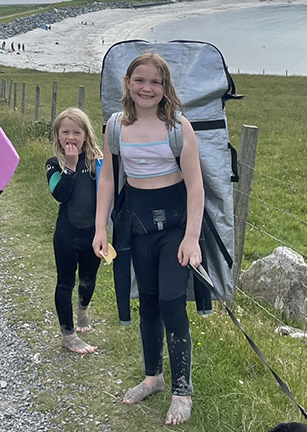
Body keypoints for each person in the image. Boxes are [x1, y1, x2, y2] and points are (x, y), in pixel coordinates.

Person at [93, 52, 205, 426]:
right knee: (149, 304)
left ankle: (182, 390)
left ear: (165, 87)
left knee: (173, 303)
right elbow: (107, 179)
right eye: (139, 80)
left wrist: (192, 238)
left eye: (155, 82)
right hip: (137, 224)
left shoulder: (178, 127)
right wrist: (100, 227)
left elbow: (195, 185)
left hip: (174, 225)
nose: (147, 87)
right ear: (127, 83)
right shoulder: (114, 127)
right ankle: (153, 377)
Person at [45, 108, 104, 354]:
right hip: (67, 235)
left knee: (88, 279)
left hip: (92, 233)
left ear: (86, 135)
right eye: (65, 131)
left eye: (76, 132)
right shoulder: (53, 164)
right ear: (58, 135)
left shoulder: (97, 162)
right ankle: (68, 336)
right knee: (65, 283)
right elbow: (60, 195)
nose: (71, 136)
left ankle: (82, 309)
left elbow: (106, 196)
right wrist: (69, 166)